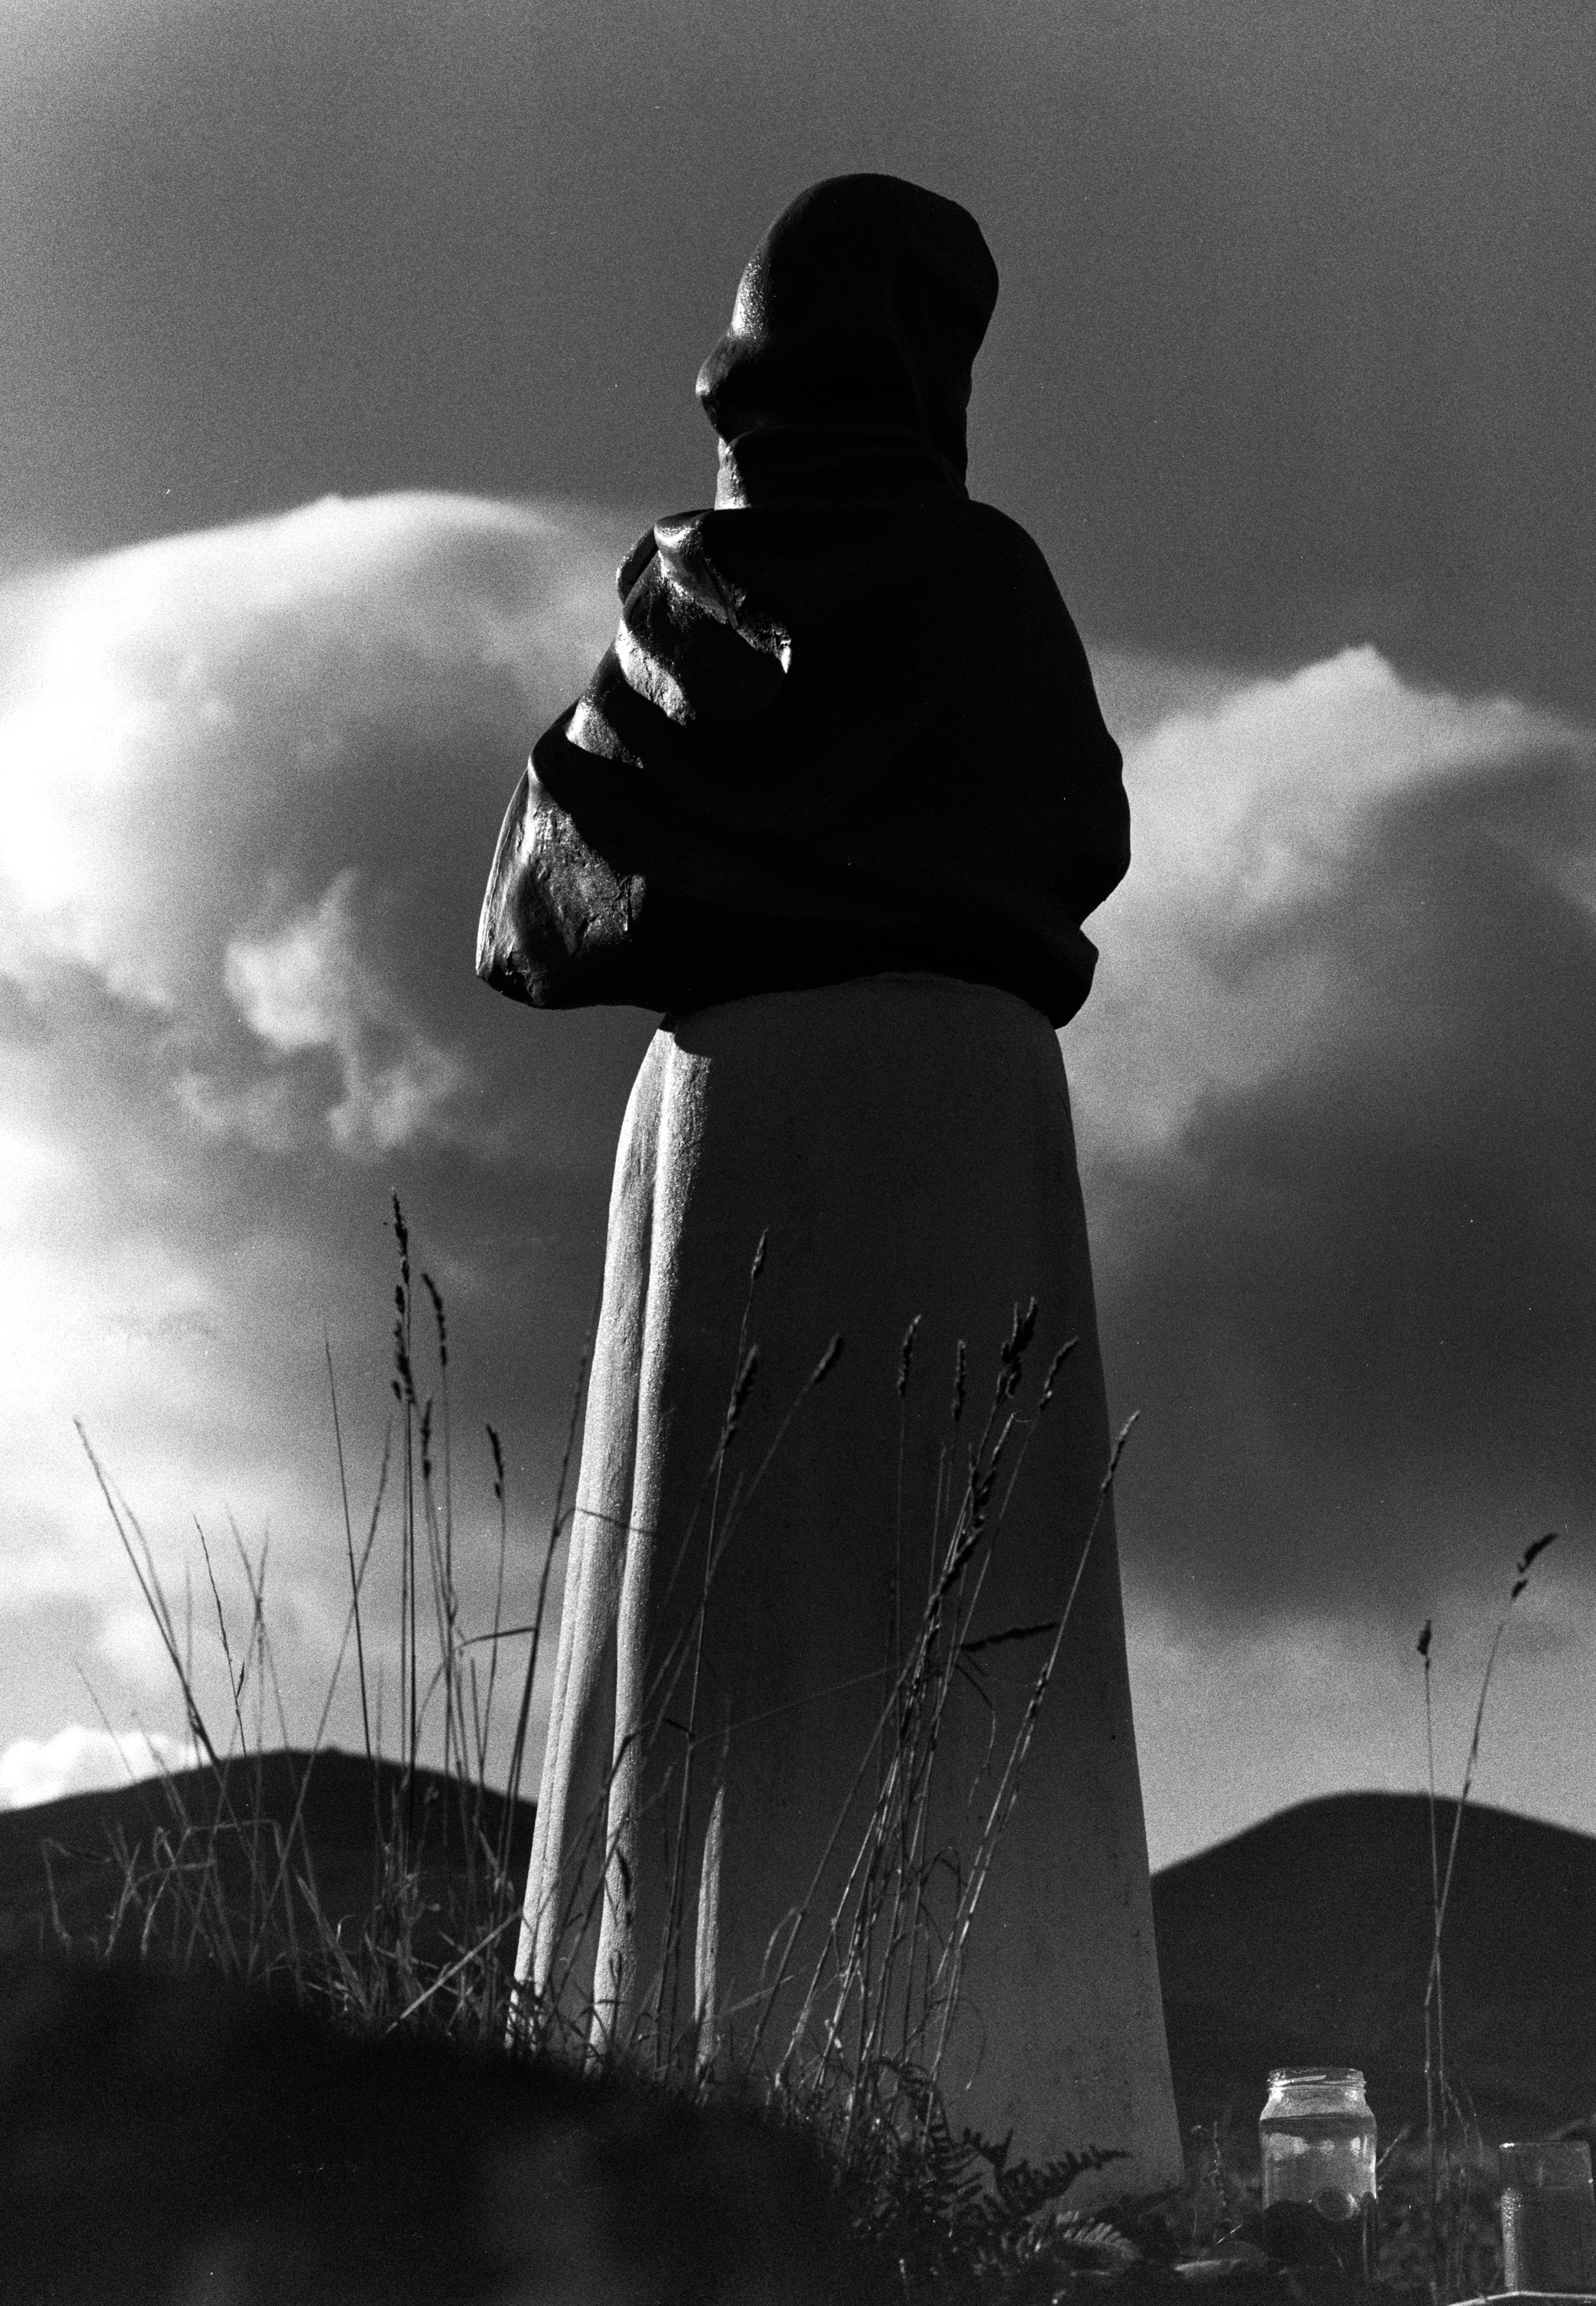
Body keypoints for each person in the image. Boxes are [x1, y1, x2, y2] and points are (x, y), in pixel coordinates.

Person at [481, 174, 1180, 2196]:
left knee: (735, 1594)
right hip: (951, 1099)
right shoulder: (982, 582)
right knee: (950, 1580)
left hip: (746, 1105)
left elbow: (533, 903)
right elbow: (1081, 826)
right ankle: (1017, 2150)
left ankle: (689, 2131)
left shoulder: (683, 597)